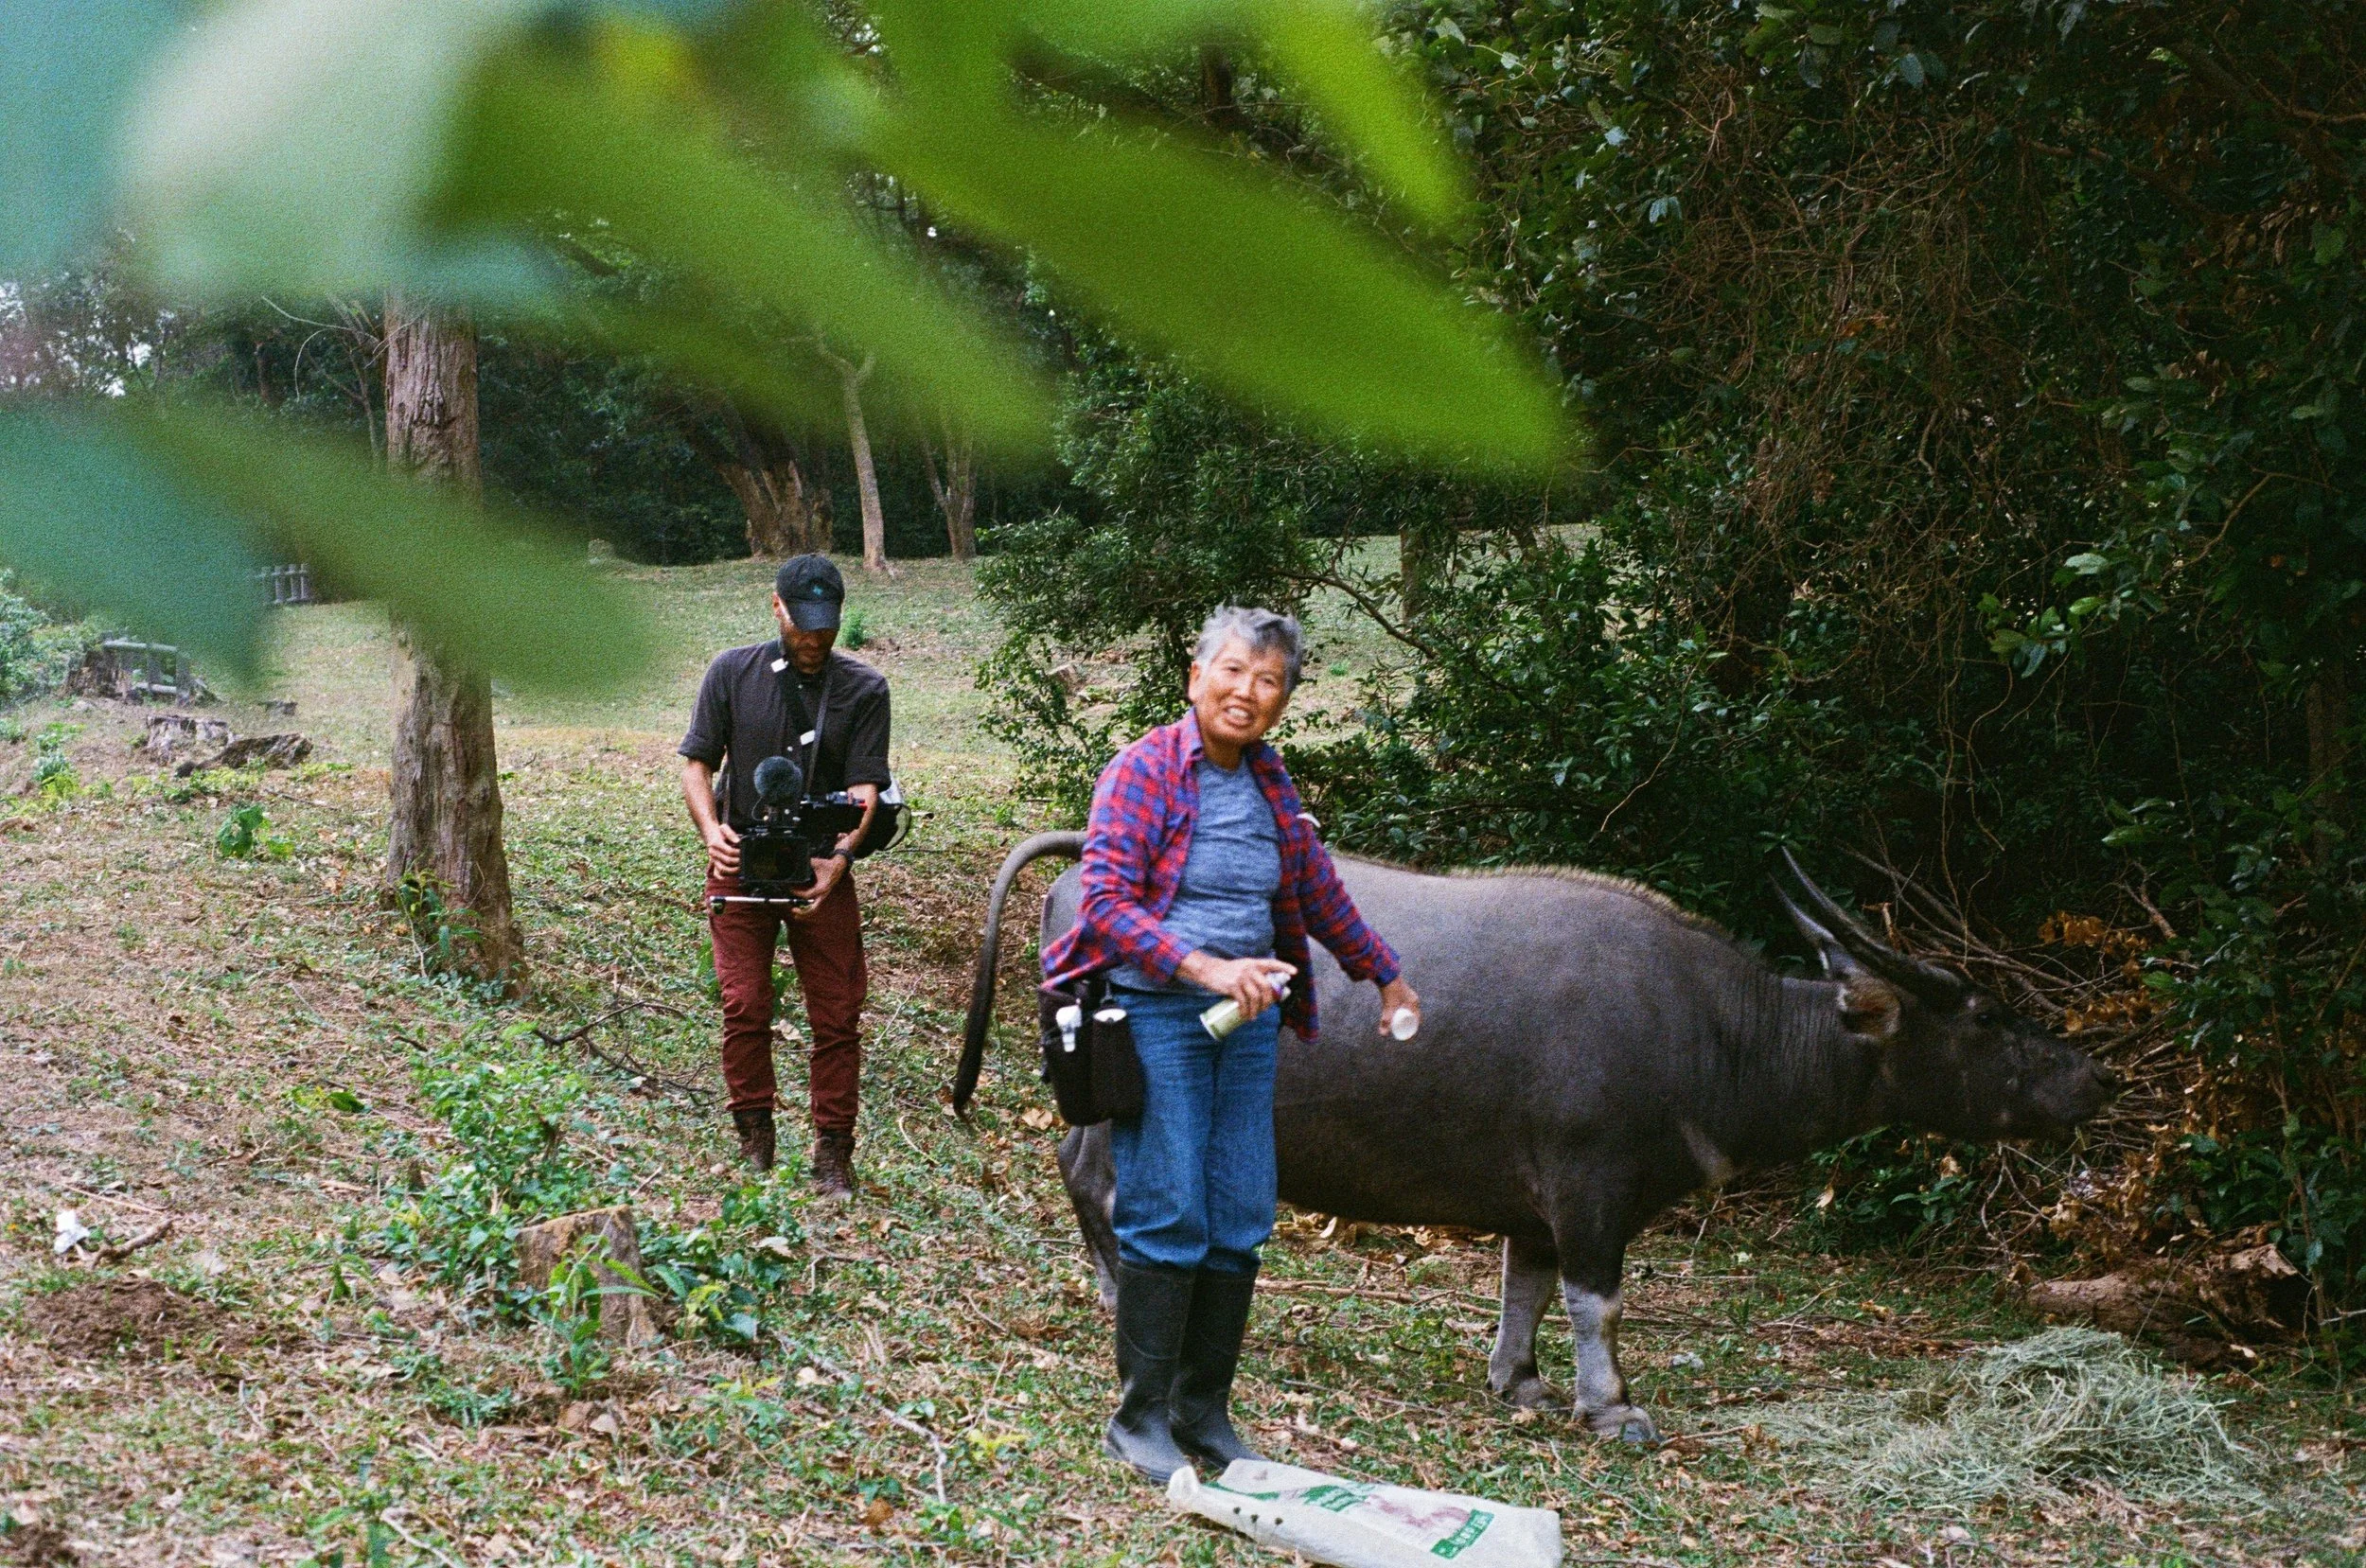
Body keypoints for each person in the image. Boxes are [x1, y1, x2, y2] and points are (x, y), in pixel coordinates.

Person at [1041, 605, 1421, 1484]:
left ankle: (1201, 1410)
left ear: (1282, 700)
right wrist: (1205, 967)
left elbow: (1316, 889)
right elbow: (1104, 901)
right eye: (1235, 672)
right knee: (1167, 1206)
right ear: (1196, 675)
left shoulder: (1269, 783)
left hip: (1245, 1026)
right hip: (1158, 1015)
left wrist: (1384, 973)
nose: (1249, 692)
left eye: (1269, 681)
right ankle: (1138, 1417)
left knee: (1242, 1212)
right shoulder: (1142, 770)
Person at [680, 555, 890, 1199]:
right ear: (777, 608)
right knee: (744, 1002)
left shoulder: (863, 688)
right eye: (803, 625)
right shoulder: (731, 672)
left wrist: (840, 860)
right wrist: (712, 832)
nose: (814, 640)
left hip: (818, 869)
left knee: (837, 1013)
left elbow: (864, 792)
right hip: (741, 860)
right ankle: (754, 1137)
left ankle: (833, 1152)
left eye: (825, 628)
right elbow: (696, 762)